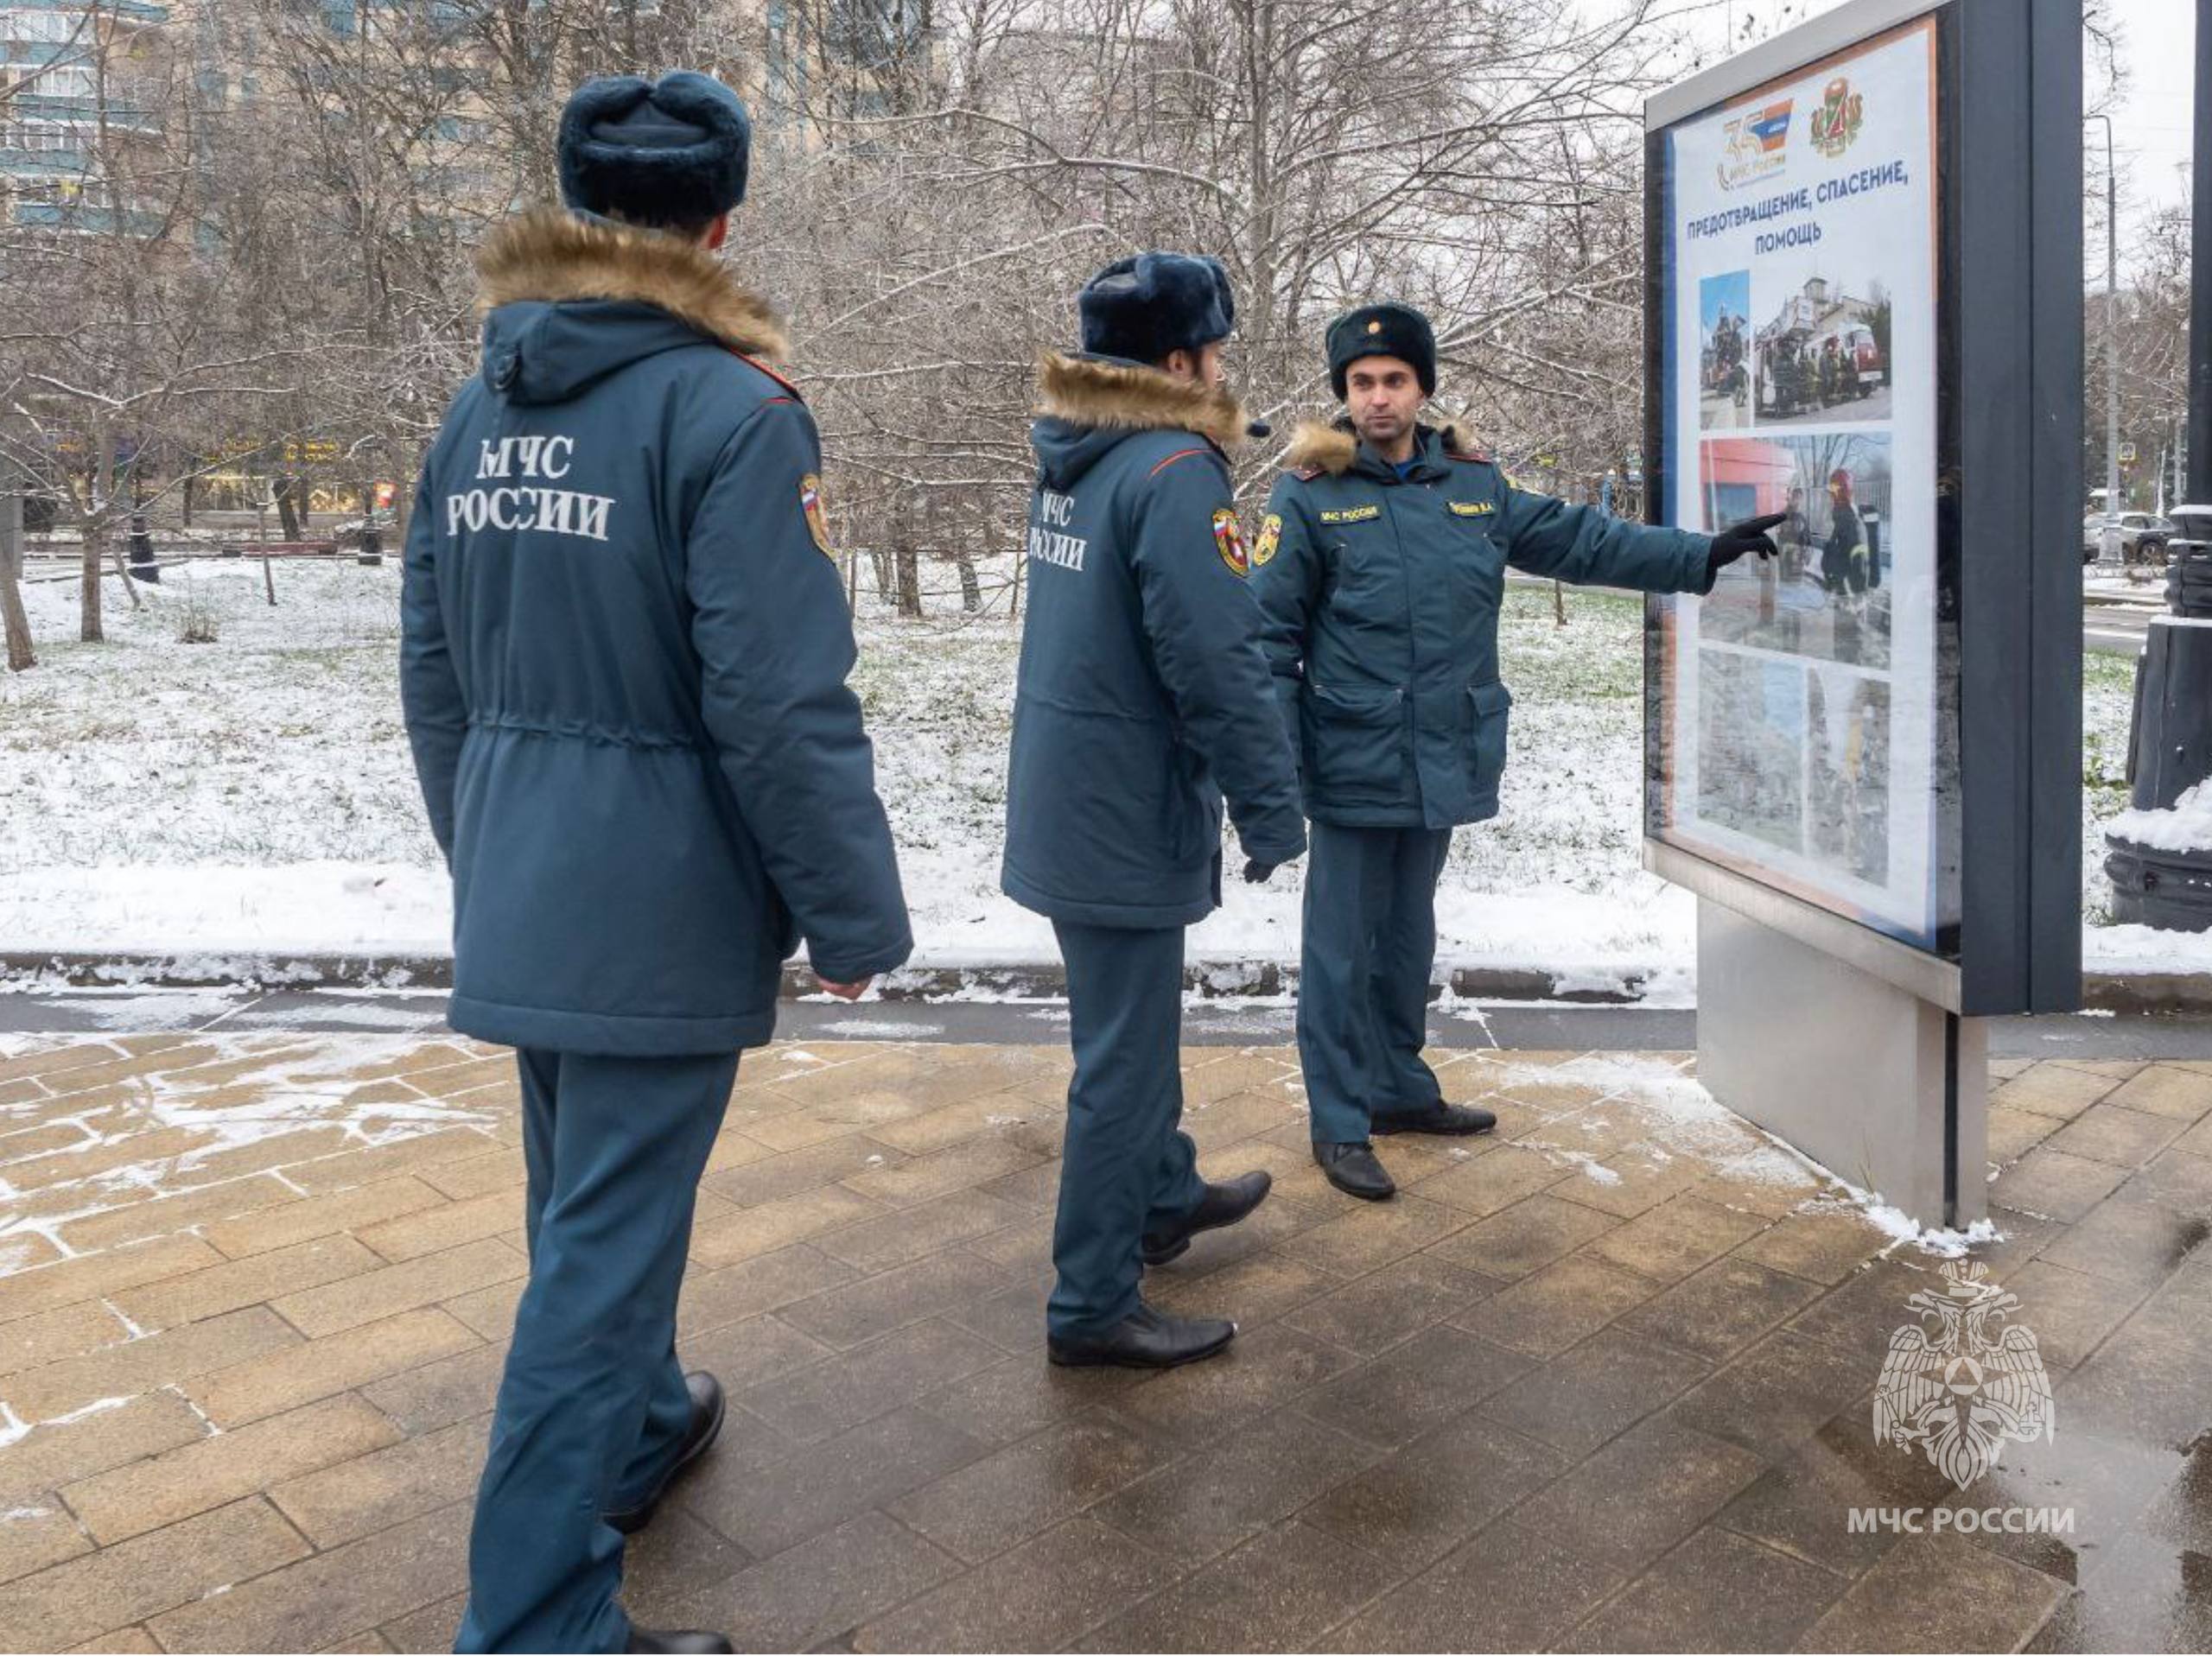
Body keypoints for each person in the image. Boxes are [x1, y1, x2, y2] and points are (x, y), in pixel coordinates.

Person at [400, 71, 911, 1655]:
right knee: (599, 1270)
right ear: (723, 220)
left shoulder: (481, 403)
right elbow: (778, 696)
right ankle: (539, 1618)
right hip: (658, 902)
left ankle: (630, 1435)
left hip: (531, 884)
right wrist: (851, 911)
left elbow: (431, 667)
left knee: (583, 1218)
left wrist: (490, 853)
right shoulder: (734, 409)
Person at [1252, 302, 1782, 1200]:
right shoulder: (1308, 492)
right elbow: (1266, 638)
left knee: (1406, 935)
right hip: (1347, 756)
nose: (1377, 398)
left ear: (1422, 389)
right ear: (1342, 395)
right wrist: (1267, 772)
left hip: (1443, 749)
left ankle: (1396, 1089)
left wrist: (1698, 554)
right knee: (1341, 947)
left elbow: (1582, 540)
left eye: (1394, 381)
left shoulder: (1473, 486)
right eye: (1360, 384)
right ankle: (1339, 1122)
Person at [1002, 252, 1308, 1368]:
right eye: (1216, 350)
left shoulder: (1076, 457)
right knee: (1121, 1062)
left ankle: (1164, 1191)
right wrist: (1271, 807)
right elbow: (1218, 659)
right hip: (1124, 807)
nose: (1223, 368)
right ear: (1179, 361)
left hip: (1072, 793)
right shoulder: (1175, 467)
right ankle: (1092, 1300)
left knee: (1129, 1033)